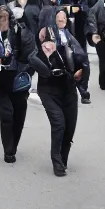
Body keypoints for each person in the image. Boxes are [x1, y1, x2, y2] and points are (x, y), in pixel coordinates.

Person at [28, 9, 88, 176]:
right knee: (59, 124)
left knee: (69, 128)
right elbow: (30, 58)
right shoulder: (41, 38)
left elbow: (82, 62)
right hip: (48, 90)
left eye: (64, 18)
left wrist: (82, 82)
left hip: (68, 89)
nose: (62, 20)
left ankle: (63, 158)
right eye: (58, 18)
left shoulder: (71, 39)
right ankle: (56, 160)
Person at [0, 3, 33, 163]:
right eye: (1, 17)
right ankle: (8, 150)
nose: (4, 20)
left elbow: (30, 55)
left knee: (19, 115)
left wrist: (22, 70)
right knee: (7, 116)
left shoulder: (19, 32)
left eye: (6, 17)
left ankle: (14, 145)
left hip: (17, 80)